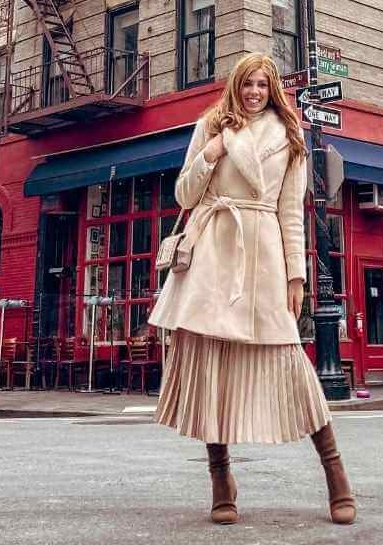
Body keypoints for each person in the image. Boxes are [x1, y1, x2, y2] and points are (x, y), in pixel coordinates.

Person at [150, 53, 356, 526]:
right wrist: (211, 153)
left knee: (293, 366)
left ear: (273, 89)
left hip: (263, 254)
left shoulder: (289, 137)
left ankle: (335, 473)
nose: (254, 92)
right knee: (212, 370)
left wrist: (296, 275)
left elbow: (290, 213)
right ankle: (221, 478)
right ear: (235, 86)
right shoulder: (210, 126)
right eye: (247, 84)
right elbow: (183, 194)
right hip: (213, 256)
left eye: (263, 84)